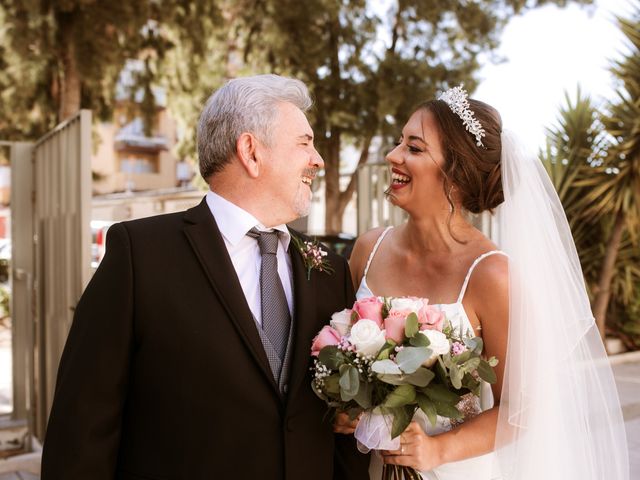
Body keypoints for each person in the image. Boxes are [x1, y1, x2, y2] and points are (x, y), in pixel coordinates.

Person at [41, 74, 369, 480]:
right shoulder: (140, 255)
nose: (318, 160)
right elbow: (82, 428)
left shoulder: (328, 271)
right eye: (305, 142)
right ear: (251, 151)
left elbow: (342, 432)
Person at [336, 85, 629, 480]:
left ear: (455, 173)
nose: (393, 156)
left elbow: (521, 409)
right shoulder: (369, 248)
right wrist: (343, 407)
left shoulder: (492, 274)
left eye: (414, 148)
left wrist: (437, 449)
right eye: (398, 142)